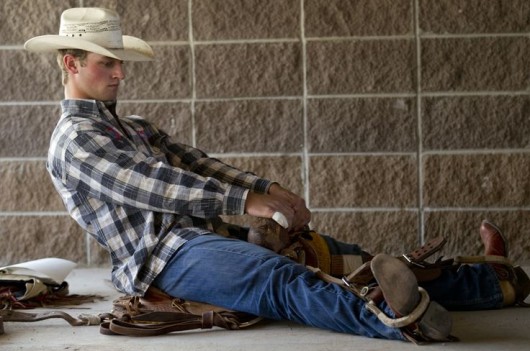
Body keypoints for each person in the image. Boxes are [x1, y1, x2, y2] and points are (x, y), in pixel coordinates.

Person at [24, 7, 529, 343]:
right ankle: (401, 324)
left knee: (348, 260)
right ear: (70, 64)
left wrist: (265, 188)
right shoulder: (74, 141)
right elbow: (153, 187)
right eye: (107, 63)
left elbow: (197, 162)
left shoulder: (133, 127)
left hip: (207, 237)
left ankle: (495, 282)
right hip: (164, 258)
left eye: (119, 63)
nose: (120, 74)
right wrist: (244, 204)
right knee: (281, 279)